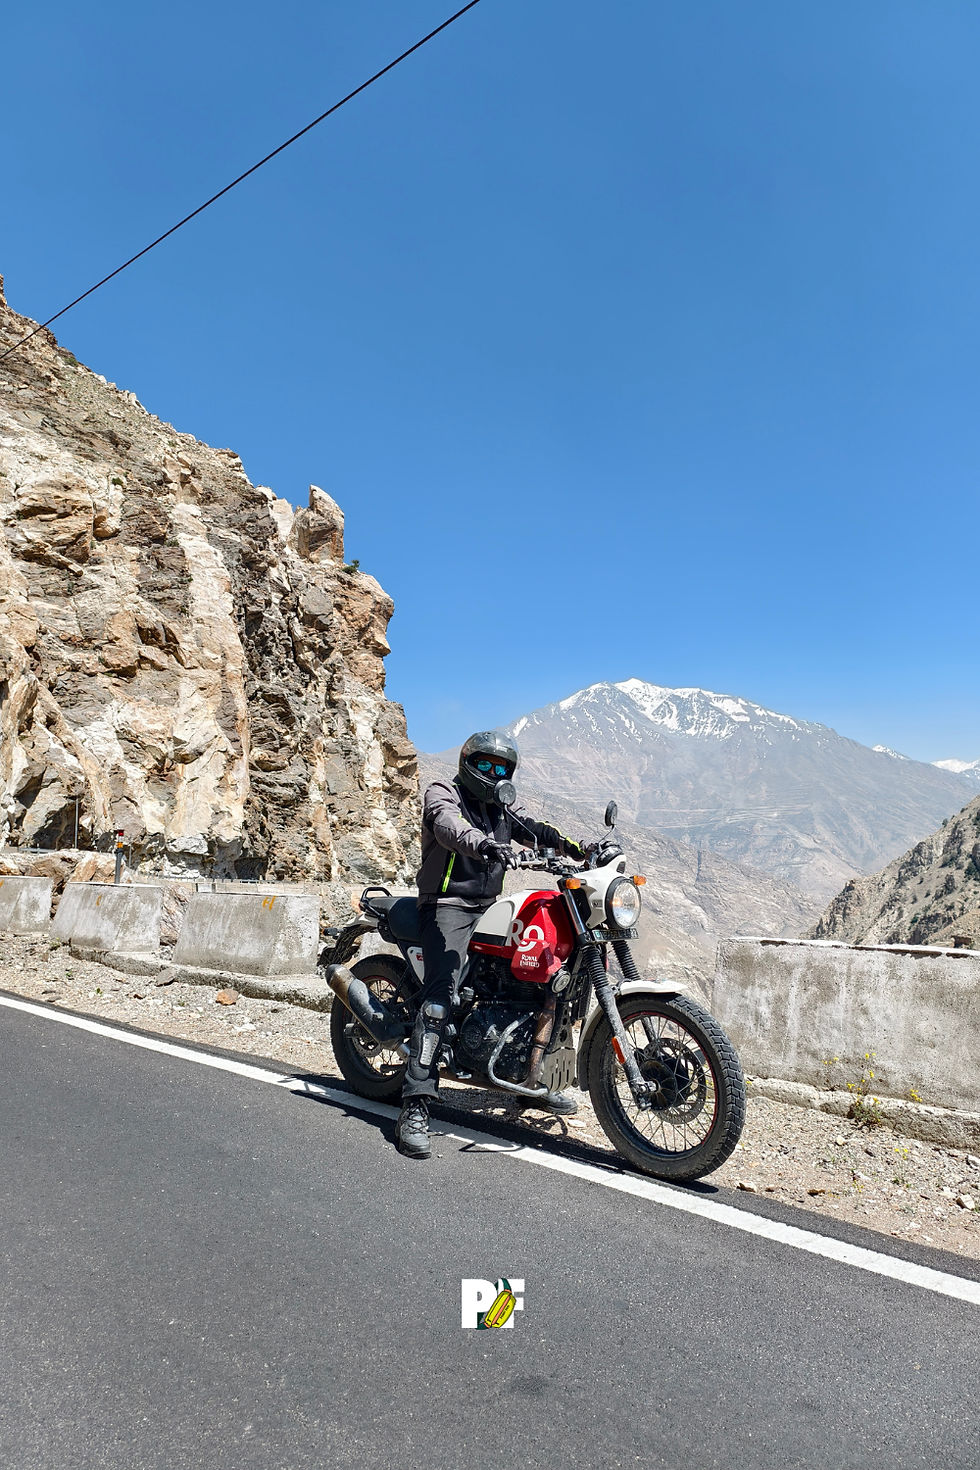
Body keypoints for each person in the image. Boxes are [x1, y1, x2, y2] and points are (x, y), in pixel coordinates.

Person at [396, 730, 588, 1160]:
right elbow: (450, 828)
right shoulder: (443, 792)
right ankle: (415, 1106)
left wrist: (581, 849)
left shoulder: (502, 806)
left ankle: (530, 1079)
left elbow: (535, 829)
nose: (494, 773)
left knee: (542, 977)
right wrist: (486, 845)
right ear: (468, 763)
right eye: (485, 764)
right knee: (439, 1001)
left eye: (502, 767)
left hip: (488, 905)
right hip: (446, 905)